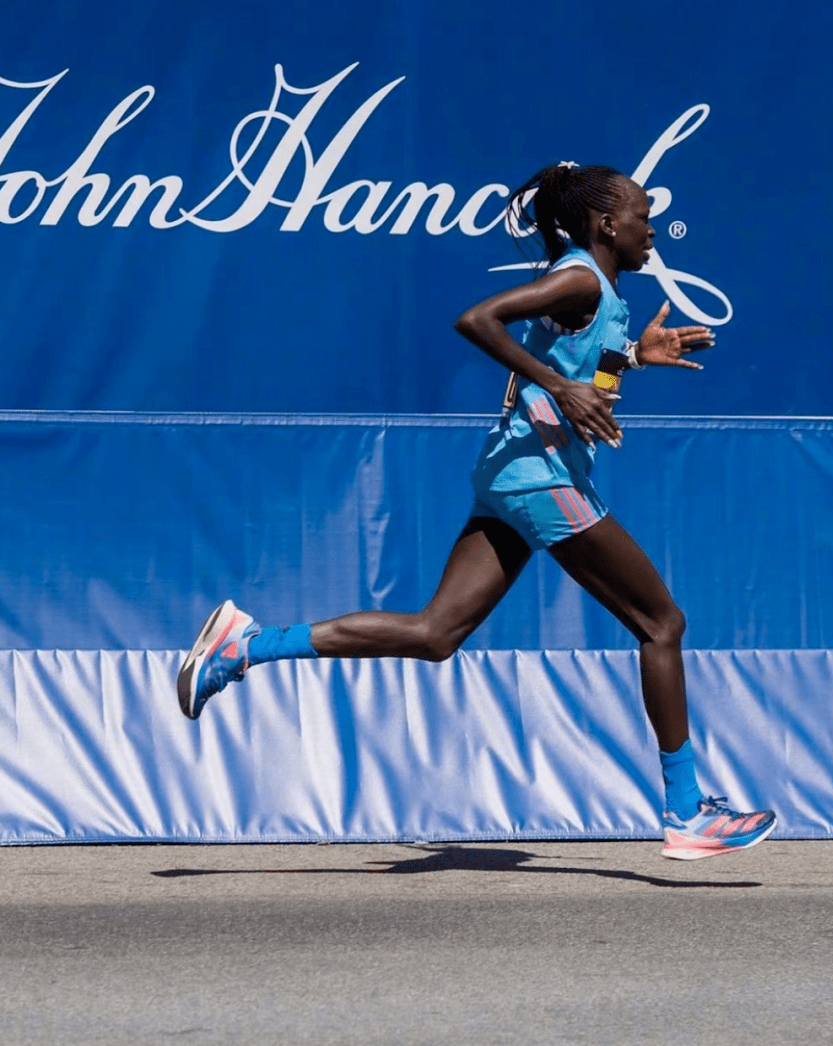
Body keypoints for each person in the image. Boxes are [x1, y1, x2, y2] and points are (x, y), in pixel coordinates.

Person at [177, 161, 776, 861]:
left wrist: (633, 358)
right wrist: (559, 385)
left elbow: (584, 372)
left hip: (513, 477)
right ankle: (687, 812)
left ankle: (245, 645)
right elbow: (477, 319)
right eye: (642, 217)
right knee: (661, 623)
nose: (652, 230)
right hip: (541, 480)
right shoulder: (581, 276)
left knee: (436, 633)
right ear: (606, 223)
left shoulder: (598, 291)